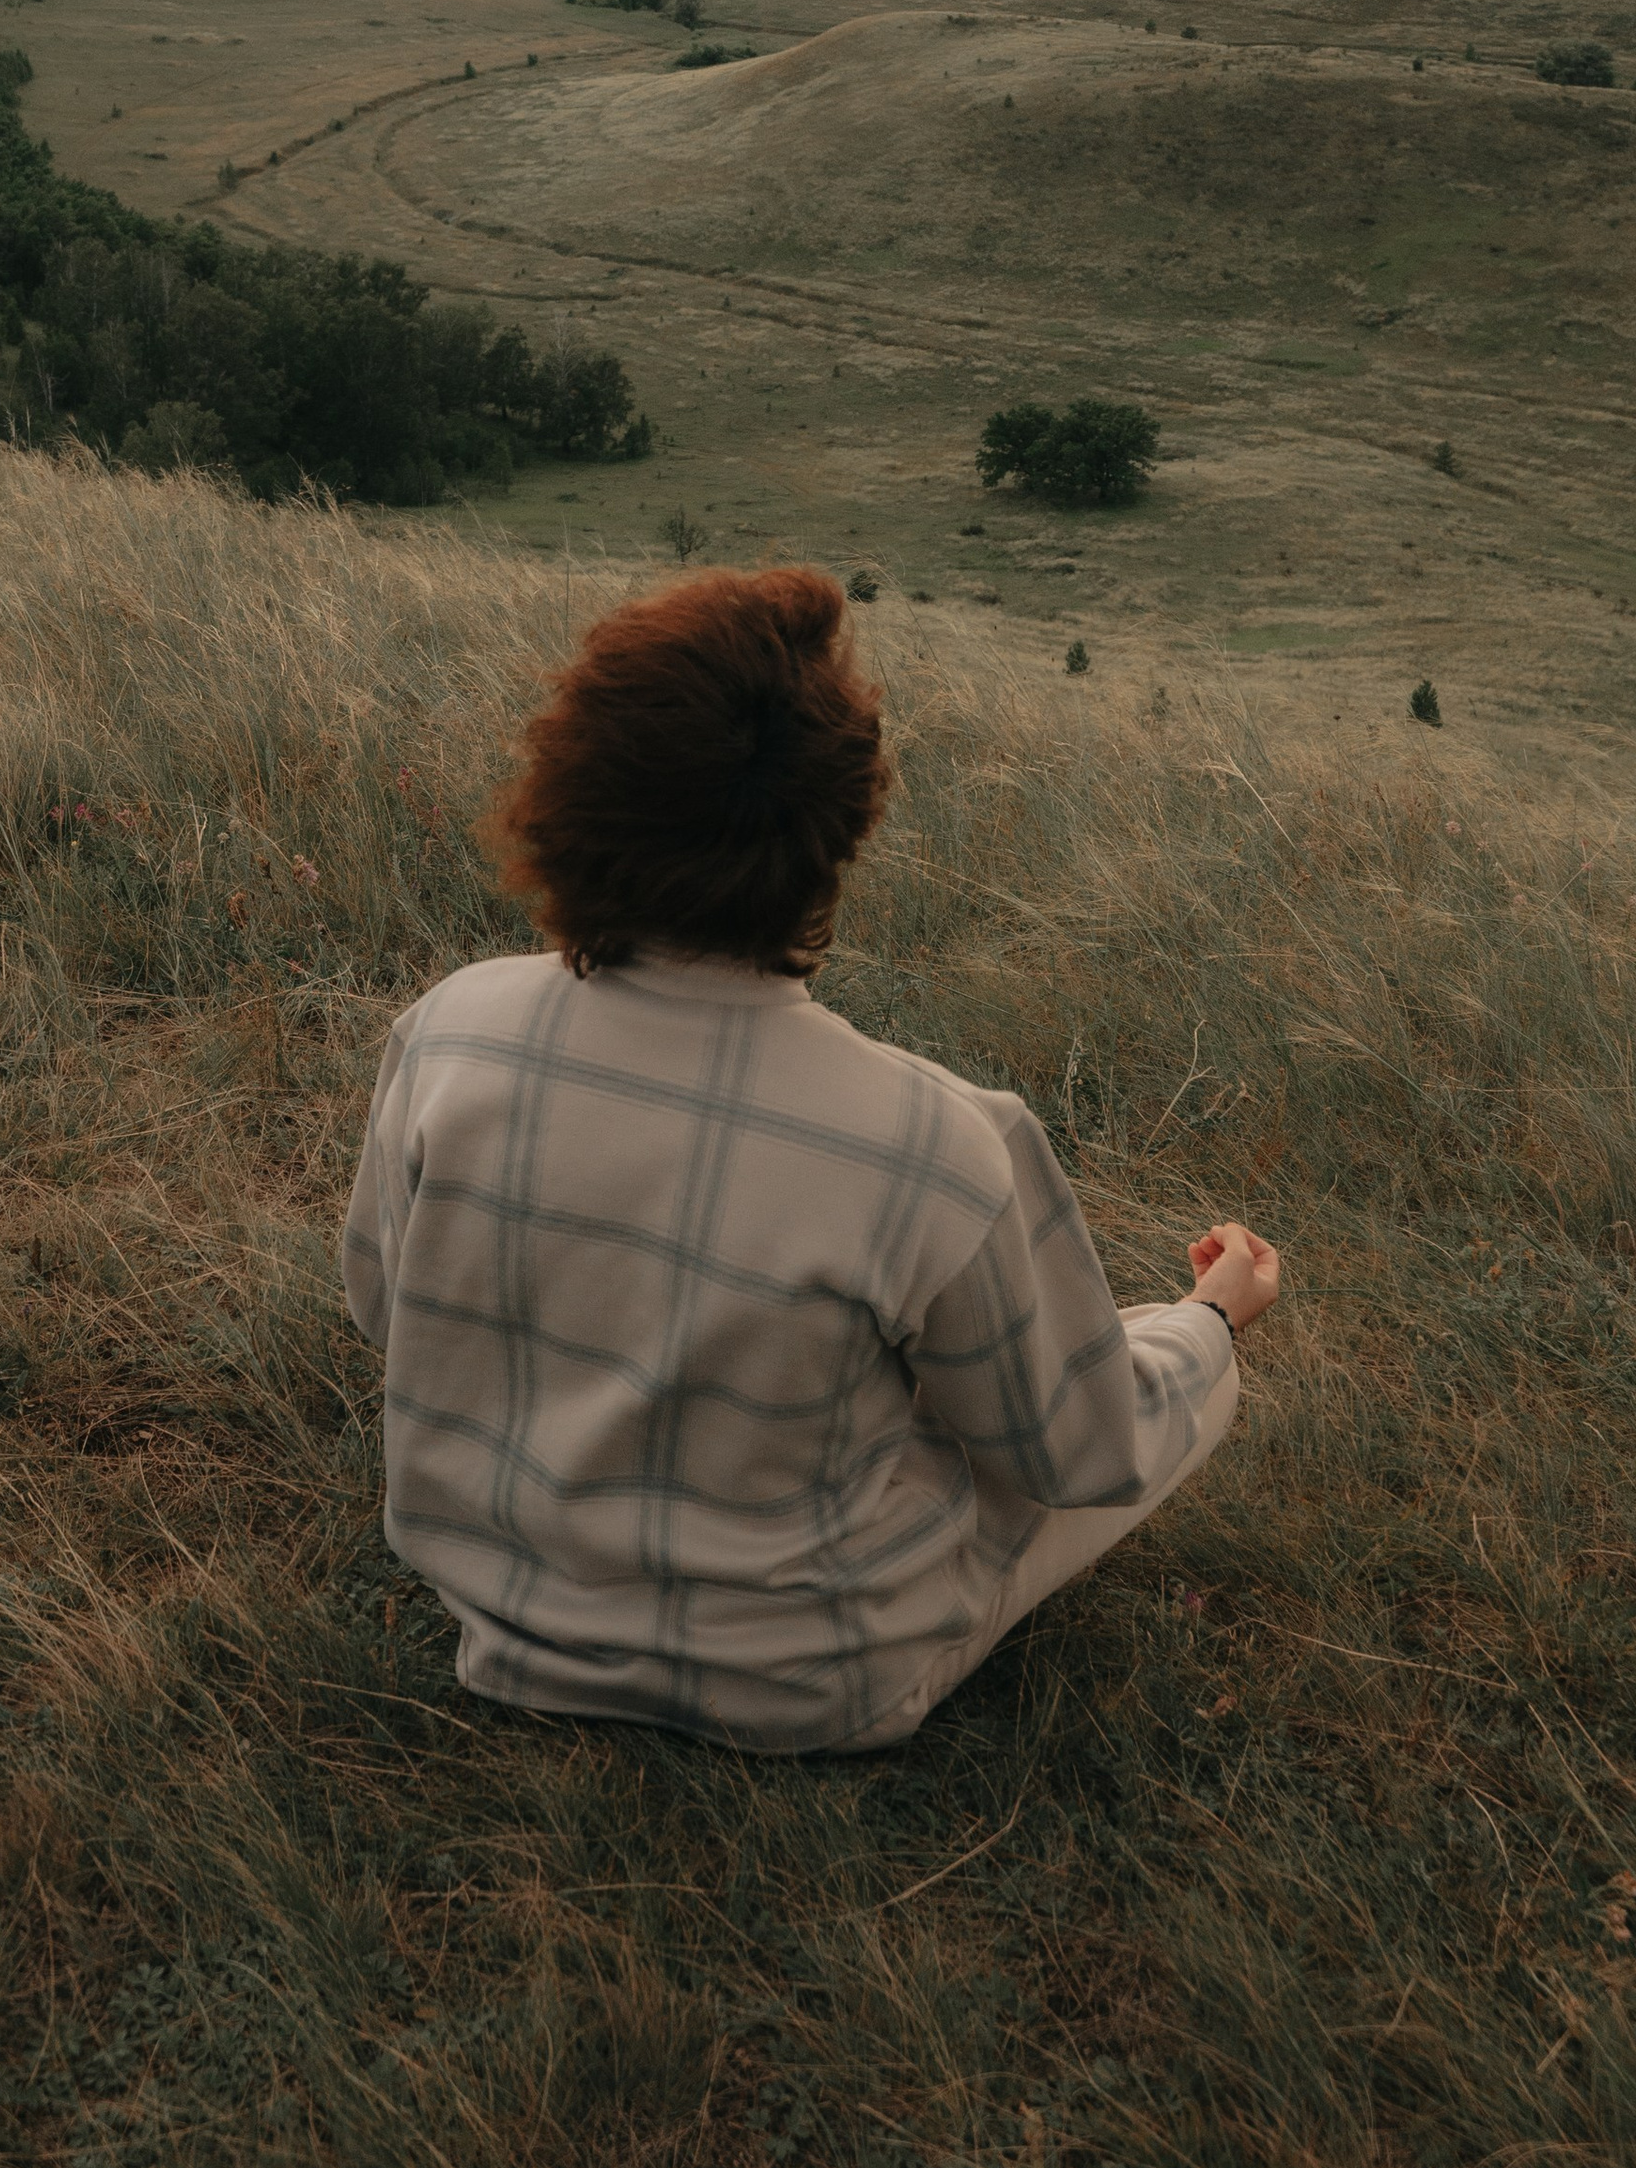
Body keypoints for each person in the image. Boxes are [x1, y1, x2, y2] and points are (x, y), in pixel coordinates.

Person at [343, 565, 1282, 1752]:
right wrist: (1206, 1318)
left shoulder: (451, 1029)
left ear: (567, 787)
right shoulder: (941, 1140)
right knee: (1145, 1383)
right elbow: (1081, 1450)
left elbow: (386, 1308)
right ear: (839, 826)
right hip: (814, 1684)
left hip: (506, 1626)